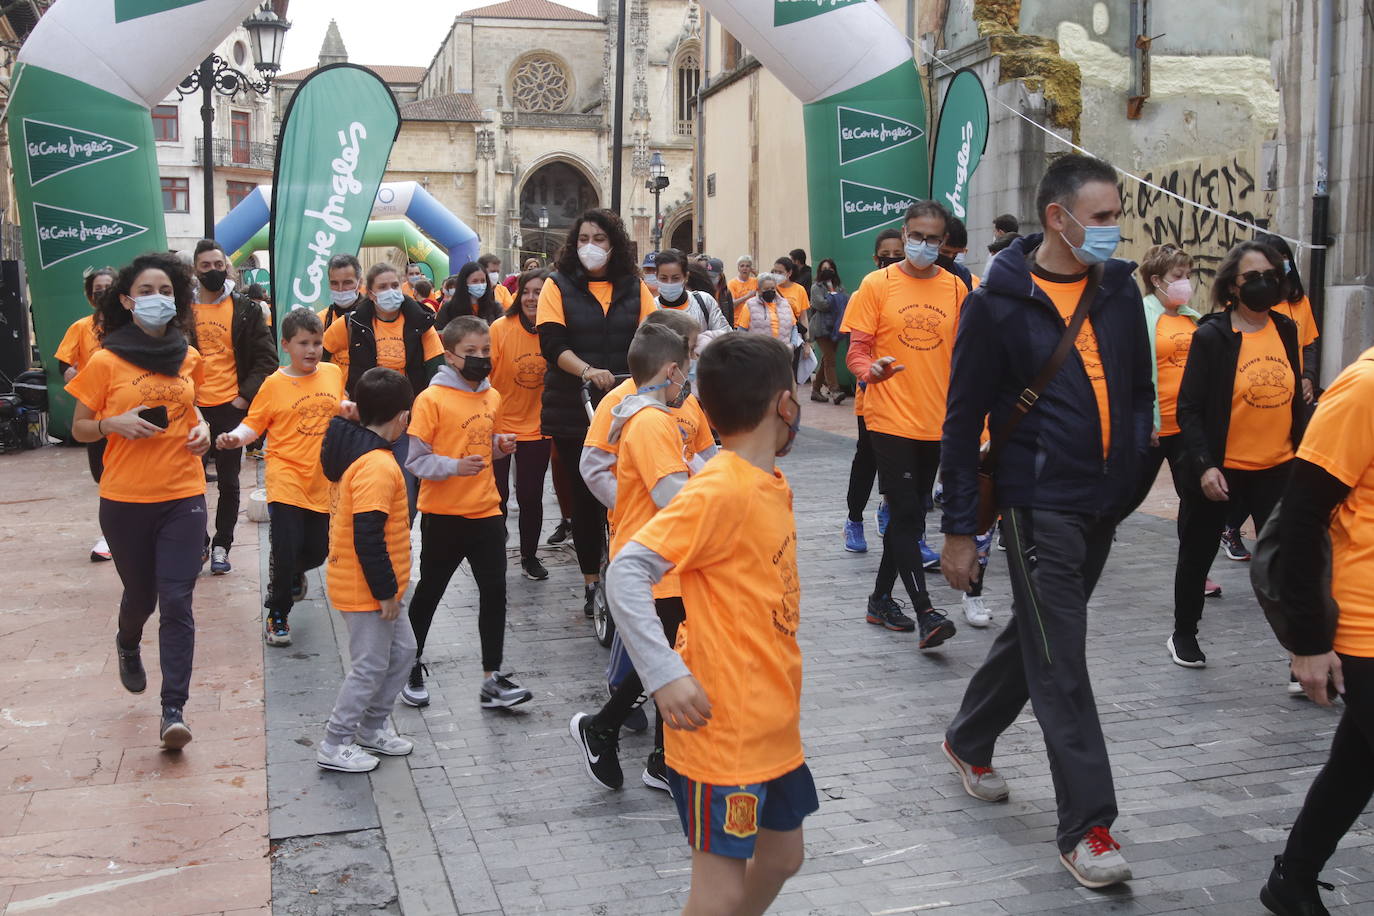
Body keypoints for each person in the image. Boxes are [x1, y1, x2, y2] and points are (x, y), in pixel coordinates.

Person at [939, 154, 1154, 889]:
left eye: (1116, 215)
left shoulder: (1119, 292)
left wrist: (1129, 473)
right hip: (1038, 504)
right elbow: (962, 423)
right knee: (1062, 658)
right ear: (1058, 219)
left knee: (1038, 635)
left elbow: (1135, 392)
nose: (1113, 230)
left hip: (1103, 500)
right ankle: (1087, 826)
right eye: (1101, 217)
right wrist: (961, 528)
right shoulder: (995, 301)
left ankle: (968, 736)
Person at [605, 332, 815, 915]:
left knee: (783, 856)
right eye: (795, 393)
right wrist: (662, 672)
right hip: (722, 729)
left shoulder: (769, 482)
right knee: (718, 892)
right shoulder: (719, 489)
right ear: (783, 404)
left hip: (772, 719)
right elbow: (627, 572)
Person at [66, 251, 212, 750]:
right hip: (125, 499)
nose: (157, 299)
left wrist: (205, 431)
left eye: (166, 291)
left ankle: (174, 709)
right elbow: (79, 427)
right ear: (127, 301)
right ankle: (128, 641)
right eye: (146, 292)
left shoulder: (188, 355)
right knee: (142, 597)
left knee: (177, 599)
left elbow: (196, 413)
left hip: (184, 493)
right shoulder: (105, 360)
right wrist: (112, 424)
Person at [1259, 348, 1374, 916]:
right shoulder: (1366, 387)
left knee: (1358, 762)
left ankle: (1293, 880)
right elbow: (1302, 515)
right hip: (1365, 625)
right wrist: (1307, 642)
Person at [570, 321, 701, 792]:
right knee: (662, 663)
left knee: (673, 659)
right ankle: (601, 729)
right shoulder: (651, 423)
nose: (688, 379)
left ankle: (661, 758)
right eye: (685, 369)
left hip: (665, 559)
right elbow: (674, 494)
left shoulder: (652, 418)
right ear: (670, 370)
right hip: (654, 561)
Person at [1170, 241, 1306, 668]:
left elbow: (1295, 398)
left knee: (1287, 566)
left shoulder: (1285, 329)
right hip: (1222, 473)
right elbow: (1188, 407)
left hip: (1278, 468)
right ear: (1232, 285)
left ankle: (1300, 652)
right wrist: (1205, 466)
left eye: (1270, 274)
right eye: (1252, 277)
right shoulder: (1213, 336)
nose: (1263, 283)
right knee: (1197, 556)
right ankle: (1184, 633)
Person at [842, 201, 965, 645]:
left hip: (936, 421)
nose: (924, 245)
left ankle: (879, 599)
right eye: (918, 236)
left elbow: (965, 359)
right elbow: (857, 352)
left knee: (910, 516)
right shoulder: (876, 285)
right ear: (904, 232)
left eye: (934, 239)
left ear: (944, 241)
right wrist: (868, 371)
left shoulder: (956, 290)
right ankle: (926, 612)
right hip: (888, 415)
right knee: (908, 513)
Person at [401, 315, 532, 711]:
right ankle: (409, 662)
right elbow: (416, 461)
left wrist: (499, 446)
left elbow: (477, 443)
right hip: (443, 515)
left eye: (485, 351)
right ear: (451, 355)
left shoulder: (492, 396)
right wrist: (455, 467)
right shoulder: (431, 399)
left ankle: (492, 678)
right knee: (430, 591)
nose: (480, 359)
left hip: (487, 511)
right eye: (471, 352)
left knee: (495, 594)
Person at [535, 208, 657, 616]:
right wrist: (587, 371)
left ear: (614, 244)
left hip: (629, 404)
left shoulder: (634, 287)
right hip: (575, 404)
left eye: (600, 239)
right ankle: (591, 581)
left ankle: (632, 572)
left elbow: (653, 335)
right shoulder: (558, 285)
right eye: (584, 238)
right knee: (587, 498)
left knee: (631, 494)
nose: (591, 246)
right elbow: (551, 343)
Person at [214, 308, 348, 647]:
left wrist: (357, 409)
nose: (312, 350)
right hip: (285, 477)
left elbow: (341, 406)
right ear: (286, 344)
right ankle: (278, 614)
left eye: (317, 343)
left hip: (323, 480)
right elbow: (254, 424)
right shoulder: (274, 384)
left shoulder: (332, 373)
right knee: (285, 548)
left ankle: (292, 573)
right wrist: (235, 437)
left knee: (318, 551)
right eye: (304, 343)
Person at [315, 368, 418, 773]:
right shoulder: (377, 465)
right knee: (370, 665)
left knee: (403, 651)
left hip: (376, 584)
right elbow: (368, 535)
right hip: (368, 588)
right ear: (402, 418)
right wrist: (386, 594)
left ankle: (372, 728)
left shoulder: (363, 450)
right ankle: (335, 740)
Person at [1218, 232, 1322, 564]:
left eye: (1278, 262)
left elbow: (1310, 344)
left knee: (1280, 475)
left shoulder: (1299, 304)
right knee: (1253, 472)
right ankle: (1231, 527)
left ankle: (1277, 551)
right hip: (1250, 405)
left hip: (1292, 399)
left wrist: (1308, 378)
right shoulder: (1244, 307)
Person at [1122, 245, 1219, 601]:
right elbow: (1134, 370)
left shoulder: (1192, 317)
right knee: (1125, 494)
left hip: (1186, 430)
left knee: (1194, 503)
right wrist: (1143, 418)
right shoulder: (1142, 315)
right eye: (1178, 276)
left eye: (1188, 275)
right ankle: (1087, 544)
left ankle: (1196, 571)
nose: (1186, 282)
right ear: (1156, 280)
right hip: (1152, 426)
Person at [323, 260, 445, 521]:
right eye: (383, 286)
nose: (390, 291)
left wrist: (425, 413)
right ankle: (371, 539)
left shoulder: (420, 322)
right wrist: (340, 396)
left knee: (405, 490)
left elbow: (436, 370)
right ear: (370, 292)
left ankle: (400, 536)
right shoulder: (352, 323)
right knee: (367, 487)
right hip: (364, 421)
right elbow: (320, 357)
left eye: (394, 285)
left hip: (404, 422)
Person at [188, 239, 277, 576]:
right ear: (196, 269)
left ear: (227, 266)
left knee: (229, 482)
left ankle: (222, 545)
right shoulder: (182, 311)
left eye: (218, 264)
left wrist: (242, 399)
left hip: (229, 408)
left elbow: (266, 359)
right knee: (190, 482)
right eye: (205, 266)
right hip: (191, 411)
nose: (213, 271)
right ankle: (198, 544)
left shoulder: (246, 309)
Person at [489, 269, 553, 580]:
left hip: (538, 427)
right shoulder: (500, 329)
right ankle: (494, 551)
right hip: (499, 425)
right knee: (496, 496)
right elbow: (484, 376)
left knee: (530, 495)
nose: (531, 298)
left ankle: (530, 556)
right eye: (527, 291)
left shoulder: (554, 331)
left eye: (539, 292)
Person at [842, 229, 903, 553]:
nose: (892, 259)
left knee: (899, 463)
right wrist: (869, 373)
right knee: (867, 458)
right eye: (886, 254)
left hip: (908, 396)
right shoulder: (864, 292)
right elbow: (855, 349)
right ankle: (854, 519)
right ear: (875, 257)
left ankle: (888, 507)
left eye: (899, 252)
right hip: (873, 396)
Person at [57, 266, 118, 562]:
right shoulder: (80, 328)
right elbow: (63, 365)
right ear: (89, 296)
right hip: (95, 420)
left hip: (128, 415)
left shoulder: (130, 326)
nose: (103, 294)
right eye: (98, 290)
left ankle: (115, 536)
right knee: (102, 476)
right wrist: (77, 377)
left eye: (109, 287)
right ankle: (114, 532)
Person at [652, 248, 729, 345]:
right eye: (663, 278)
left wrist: (703, 342)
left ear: (686, 277)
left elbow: (726, 338)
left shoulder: (704, 302)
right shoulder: (651, 308)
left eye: (675, 278)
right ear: (656, 277)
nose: (669, 283)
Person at [807, 259, 846, 402]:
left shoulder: (839, 286)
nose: (827, 271)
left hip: (836, 327)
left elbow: (845, 301)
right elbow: (821, 304)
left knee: (826, 360)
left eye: (830, 268)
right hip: (820, 327)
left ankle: (816, 390)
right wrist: (835, 298)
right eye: (824, 268)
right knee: (830, 359)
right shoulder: (815, 287)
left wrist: (834, 297)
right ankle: (835, 391)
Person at [436, 260, 502, 328]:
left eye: (483, 281)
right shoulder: (449, 308)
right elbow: (439, 333)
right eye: (475, 281)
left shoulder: (495, 307)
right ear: (464, 283)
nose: (480, 285)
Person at [735, 273, 796, 344]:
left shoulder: (785, 304)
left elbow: (794, 327)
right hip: (760, 351)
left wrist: (793, 345)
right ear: (759, 289)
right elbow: (742, 330)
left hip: (783, 350)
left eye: (772, 288)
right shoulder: (750, 305)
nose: (770, 291)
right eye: (766, 289)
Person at [938, 216, 979, 290]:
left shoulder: (962, 274)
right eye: (945, 252)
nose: (950, 257)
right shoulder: (915, 271)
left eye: (956, 253)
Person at [771, 256, 809, 330]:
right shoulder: (770, 288)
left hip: (793, 331)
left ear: (789, 273)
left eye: (780, 272)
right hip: (774, 330)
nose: (777, 274)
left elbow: (803, 317)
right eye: (775, 271)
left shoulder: (799, 290)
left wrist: (807, 338)